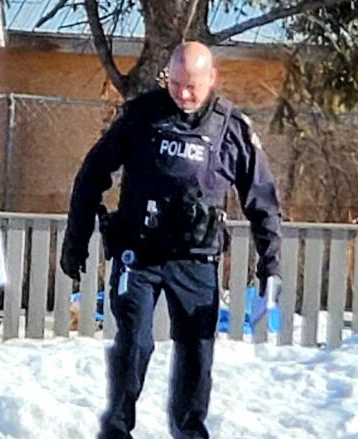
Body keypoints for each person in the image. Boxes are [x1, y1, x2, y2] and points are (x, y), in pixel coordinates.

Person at [60, 42, 283, 438]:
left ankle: (190, 429)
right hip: (138, 254)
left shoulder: (231, 129)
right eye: (175, 83)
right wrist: (76, 241)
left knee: (197, 350)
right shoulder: (141, 116)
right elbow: (91, 174)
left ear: (212, 79)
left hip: (196, 259)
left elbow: (262, 200)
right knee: (134, 342)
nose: (182, 93)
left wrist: (271, 264)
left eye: (192, 86)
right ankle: (117, 427)